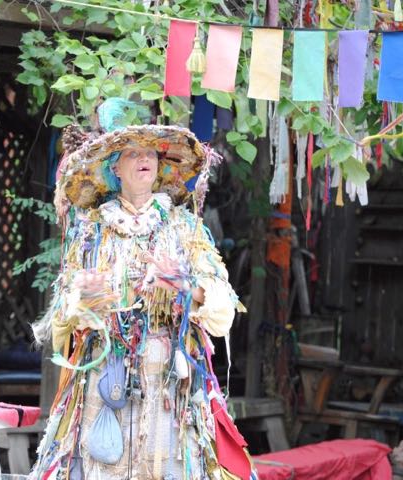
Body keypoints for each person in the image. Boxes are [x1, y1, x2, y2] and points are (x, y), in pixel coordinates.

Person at [30, 99, 253, 480]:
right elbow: (61, 329)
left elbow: (223, 312)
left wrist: (188, 288)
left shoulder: (184, 229)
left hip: (168, 385)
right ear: (115, 167)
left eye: (148, 151)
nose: (142, 158)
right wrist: (83, 298)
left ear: (160, 164)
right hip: (105, 382)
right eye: (131, 152)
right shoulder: (91, 230)